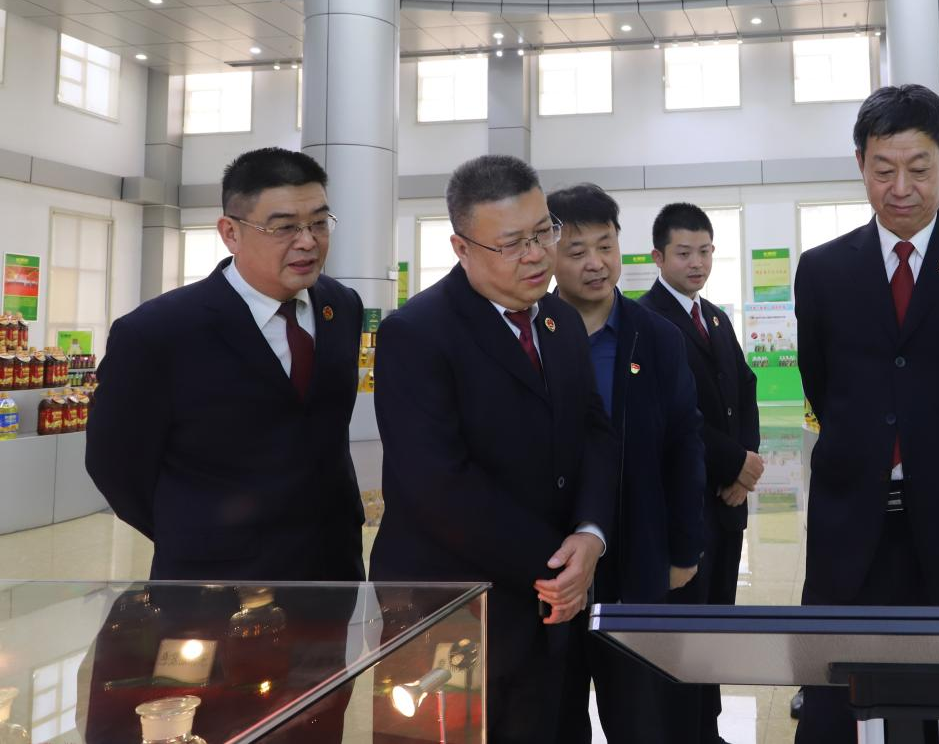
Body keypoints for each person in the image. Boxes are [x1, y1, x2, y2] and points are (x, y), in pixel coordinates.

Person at [793, 84, 939, 744]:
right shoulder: (822, 270)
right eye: (883, 169)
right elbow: (822, 385)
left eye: (919, 168)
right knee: (835, 696)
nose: (900, 188)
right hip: (850, 520)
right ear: (860, 164)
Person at [368, 155, 617, 744]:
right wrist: (558, 566)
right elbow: (439, 485)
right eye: (511, 244)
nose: (536, 255)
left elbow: (594, 432)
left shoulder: (558, 320)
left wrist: (590, 535)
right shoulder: (418, 333)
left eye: (543, 232)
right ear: (462, 248)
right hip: (451, 607)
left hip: (549, 604)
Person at [87, 147, 365, 581]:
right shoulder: (157, 333)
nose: (308, 241)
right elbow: (116, 468)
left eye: (318, 223)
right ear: (230, 233)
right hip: (216, 581)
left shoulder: (341, 307)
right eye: (284, 227)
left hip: (332, 569)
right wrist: (198, 534)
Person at [546, 183, 706, 744]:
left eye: (606, 246)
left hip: (638, 554)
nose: (595, 263)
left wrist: (683, 550)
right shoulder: (532, 333)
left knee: (640, 716)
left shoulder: (657, 338)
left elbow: (684, 446)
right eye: (577, 250)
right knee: (555, 715)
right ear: (548, 253)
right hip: (551, 561)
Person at [641, 202, 762, 744]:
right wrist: (734, 462)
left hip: (725, 505)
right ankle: (682, 732)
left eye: (706, 251)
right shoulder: (647, 322)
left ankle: (706, 729)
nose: (697, 263)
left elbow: (746, 389)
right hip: (683, 507)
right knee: (684, 631)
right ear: (658, 257)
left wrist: (745, 467)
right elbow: (674, 415)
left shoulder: (713, 316)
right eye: (684, 253)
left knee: (716, 624)